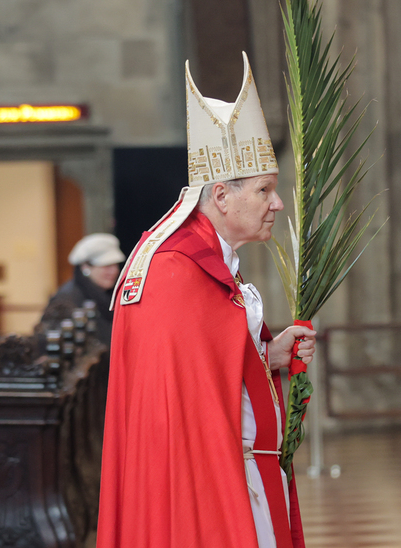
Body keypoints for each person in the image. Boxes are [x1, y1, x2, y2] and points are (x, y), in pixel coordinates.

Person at [97, 53, 315, 548]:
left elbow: (207, 368)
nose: (277, 203)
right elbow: (180, 409)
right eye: (265, 190)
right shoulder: (176, 269)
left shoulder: (204, 258)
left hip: (240, 469)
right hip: (205, 487)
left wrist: (268, 355)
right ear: (221, 196)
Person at [41, 233, 125, 345]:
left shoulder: (111, 294)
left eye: (115, 265)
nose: (114, 271)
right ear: (85, 267)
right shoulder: (66, 300)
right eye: (107, 266)